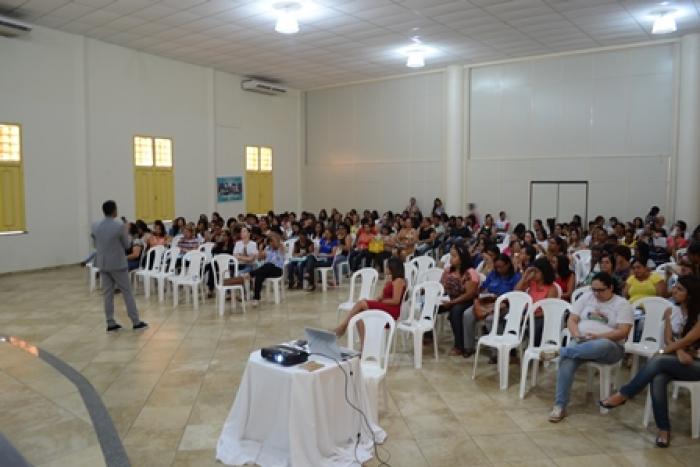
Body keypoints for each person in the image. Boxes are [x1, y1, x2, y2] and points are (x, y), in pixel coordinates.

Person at [599, 275, 700, 447]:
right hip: (679, 360)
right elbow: (669, 339)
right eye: (675, 286)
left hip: (697, 363)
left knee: (658, 361)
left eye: (680, 289)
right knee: (658, 377)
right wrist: (679, 351)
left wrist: (662, 352)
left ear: (691, 294)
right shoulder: (671, 311)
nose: (674, 290)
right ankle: (664, 429)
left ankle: (624, 394)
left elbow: (687, 340)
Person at [546, 272, 633, 422]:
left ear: (611, 287)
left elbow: (623, 332)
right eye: (594, 289)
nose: (596, 293)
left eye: (600, 290)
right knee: (567, 360)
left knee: (601, 345)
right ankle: (560, 406)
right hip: (581, 341)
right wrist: (576, 334)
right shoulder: (587, 297)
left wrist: (598, 337)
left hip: (610, 346)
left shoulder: (622, 304)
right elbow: (572, 319)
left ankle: (561, 351)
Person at [91, 200, 148, 332]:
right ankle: (136, 321)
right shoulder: (120, 226)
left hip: (103, 263)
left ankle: (110, 322)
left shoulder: (95, 225)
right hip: (117, 263)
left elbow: (95, 244)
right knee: (127, 292)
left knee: (107, 294)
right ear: (114, 211)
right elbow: (127, 245)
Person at [461, 254, 521, 358]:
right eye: (496, 267)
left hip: (506, 306)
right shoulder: (493, 274)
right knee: (467, 314)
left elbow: (516, 296)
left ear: (508, 265)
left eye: (501, 267)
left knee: (490, 319)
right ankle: (468, 347)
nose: (498, 269)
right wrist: (483, 293)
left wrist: (501, 299)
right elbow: (483, 287)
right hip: (488, 302)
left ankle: (497, 352)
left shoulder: (515, 277)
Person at [335, 257, 407, 339]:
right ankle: (364, 348)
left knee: (362, 303)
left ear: (393, 268)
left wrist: (381, 302)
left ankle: (343, 326)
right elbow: (381, 296)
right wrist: (377, 299)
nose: (385, 268)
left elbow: (396, 301)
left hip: (392, 310)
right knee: (359, 316)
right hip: (385, 306)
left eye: (387, 266)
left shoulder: (399, 281)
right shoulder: (391, 280)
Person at [439, 245, 479, 356]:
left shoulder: (471, 273)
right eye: (451, 255)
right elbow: (441, 286)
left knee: (455, 312)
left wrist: (452, 303)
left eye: (454, 256)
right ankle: (427, 335)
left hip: (465, 301)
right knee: (429, 305)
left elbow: (469, 294)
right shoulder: (448, 270)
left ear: (462, 258)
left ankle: (459, 346)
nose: (451, 259)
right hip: (450, 298)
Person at [515, 257, 558, 345]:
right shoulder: (532, 282)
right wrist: (525, 277)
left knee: (535, 326)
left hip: (541, 316)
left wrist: (529, 316)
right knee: (510, 319)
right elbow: (516, 292)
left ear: (544, 272)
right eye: (533, 271)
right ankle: (513, 349)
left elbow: (549, 310)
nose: (534, 274)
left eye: (536, 271)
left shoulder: (552, 288)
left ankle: (532, 347)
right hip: (527, 312)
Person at [248, 233, 285, 305]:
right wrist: (260, 249)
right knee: (259, 275)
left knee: (268, 265)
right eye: (270, 241)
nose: (271, 243)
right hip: (266, 269)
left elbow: (276, 245)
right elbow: (259, 259)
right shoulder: (267, 248)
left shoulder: (281, 247)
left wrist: (273, 238)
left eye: (272, 241)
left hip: (277, 270)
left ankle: (250, 274)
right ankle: (256, 298)